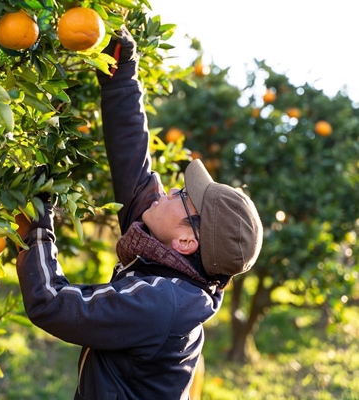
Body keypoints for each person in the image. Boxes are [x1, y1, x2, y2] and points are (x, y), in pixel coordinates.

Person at [16, 27, 263, 400]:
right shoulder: (173, 264)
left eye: (182, 196)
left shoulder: (162, 305)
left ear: (186, 240)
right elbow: (135, 165)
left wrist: (36, 228)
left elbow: (52, 303)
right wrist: (120, 72)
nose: (170, 190)